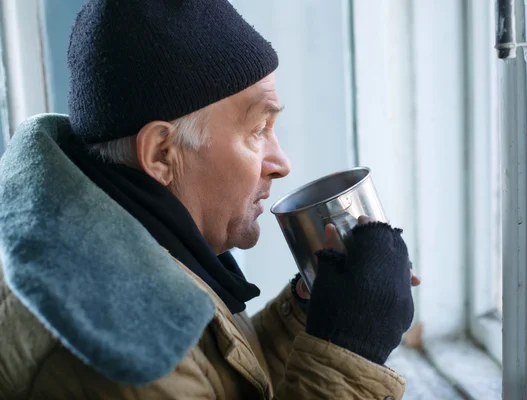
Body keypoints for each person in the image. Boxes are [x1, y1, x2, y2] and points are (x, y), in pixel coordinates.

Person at [0, 0, 419, 398]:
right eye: (258, 130)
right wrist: (349, 353)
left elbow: (218, 381)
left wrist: (315, 312)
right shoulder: (123, 358)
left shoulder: (132, 244)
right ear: (163, 154)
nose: (281, 163)